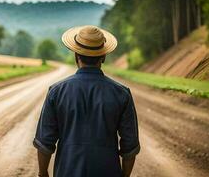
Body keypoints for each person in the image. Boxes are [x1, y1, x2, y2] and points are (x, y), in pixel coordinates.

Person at [33, 25, 140, 177]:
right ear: (103, 56)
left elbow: (44, 143)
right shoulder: (122, 94)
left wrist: (42, 174)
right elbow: (130, 147)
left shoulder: (56, 92)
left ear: (76, 55)